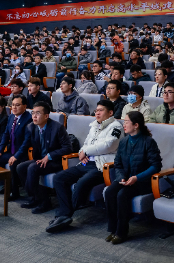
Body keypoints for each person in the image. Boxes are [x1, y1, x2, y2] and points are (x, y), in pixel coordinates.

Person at [46, 99, 122, 233]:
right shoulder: (94, 125)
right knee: (59, 178)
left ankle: (65, 215)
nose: (97, 113)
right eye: (96, 110)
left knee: (81, 183)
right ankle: (64, 214)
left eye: (101, 110)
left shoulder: (116, 126)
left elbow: (109, 145)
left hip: (101, 166)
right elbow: (86, 143)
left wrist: (86, 151)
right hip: (86, 162)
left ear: (110, 113)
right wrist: (83, 151)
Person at [104, 112, 162, 244]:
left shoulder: (148, 142)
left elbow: (156, 166)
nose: (123, 125)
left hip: (142, 181)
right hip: (126, 179)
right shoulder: (124, 141)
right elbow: (118, 163)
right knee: (109, 192)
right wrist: (121, 177)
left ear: (136, 125)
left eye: (126, 122)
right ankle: (113, 229)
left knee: (122, 195)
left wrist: (137, 177)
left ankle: (121, 232)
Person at [10, 102, 72, 214]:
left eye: (38, 113)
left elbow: (67, 148)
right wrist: (16, 156)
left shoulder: (57, 128)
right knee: (20, 167)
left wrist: (49, 156)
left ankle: (45, 202)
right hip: (39, 159)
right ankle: (35, 197)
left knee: (33, 168)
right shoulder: (31, 127)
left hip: (56, 161)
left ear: (46, 116)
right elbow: (25, 144)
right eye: (33, 113)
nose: (34, 116)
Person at [0, 95, 32, 200]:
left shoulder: (29, 119)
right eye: (13, 105)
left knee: (13, 163)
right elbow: (6, 135)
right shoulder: (11, 117)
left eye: (17, 105)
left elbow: (27, 142)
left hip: (23, 153)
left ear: (24, 106)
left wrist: (16, 156)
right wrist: (0, 150)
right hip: (12, 151)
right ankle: (5, 186)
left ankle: (15, 191)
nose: (14, 107)